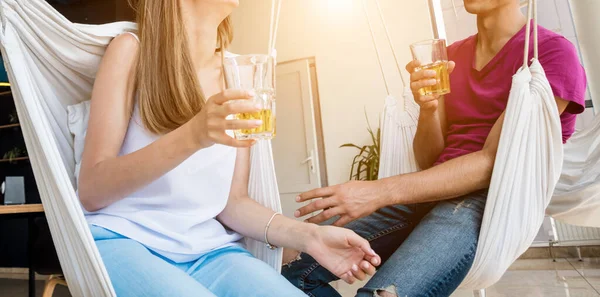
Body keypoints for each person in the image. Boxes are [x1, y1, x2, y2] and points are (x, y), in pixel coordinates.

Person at [282, 0, 587, 296]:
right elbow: (430, 159)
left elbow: (493, 162)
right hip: (430, 189)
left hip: (491, 200)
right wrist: (428, 108)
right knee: (288, 271)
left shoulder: (550, 53)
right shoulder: (450, 57)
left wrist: (376, 192)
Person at [78, 0, 381, 296]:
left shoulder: (239, 73)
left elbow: (232, 203)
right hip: (124, 240)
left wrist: (311, 237)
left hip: (211, 251)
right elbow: (92, 190)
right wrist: (193, 135)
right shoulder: (130, 51)